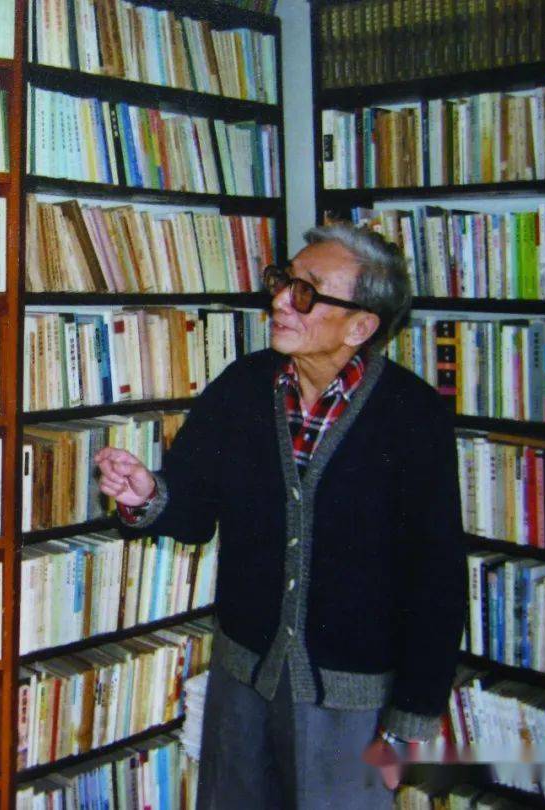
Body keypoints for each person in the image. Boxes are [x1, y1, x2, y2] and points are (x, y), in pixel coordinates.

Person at [95, 224, 466, 809]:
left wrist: (410, 721)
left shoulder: (413, 416)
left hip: (352, 704)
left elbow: (436, 576)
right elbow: (191, 509)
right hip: (242, 680)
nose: (280, 301)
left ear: (360, 327)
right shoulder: (243, 385)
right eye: (284, 281)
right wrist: (146, 494)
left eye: (306, 291)